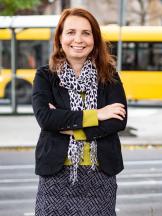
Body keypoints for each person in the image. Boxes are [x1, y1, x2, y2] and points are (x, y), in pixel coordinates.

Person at [32, 8, 127, 216]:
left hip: (100, 174)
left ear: (94, 38)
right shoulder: (45, 76)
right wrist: (97, 114)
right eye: (71, 32)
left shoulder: (108, 75)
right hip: (56, 175)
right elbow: (46, 118)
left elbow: (118, 120)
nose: (78, 39)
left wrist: (76, 130)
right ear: (60, 37)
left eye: (86, 32)